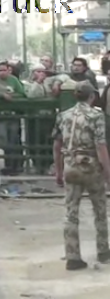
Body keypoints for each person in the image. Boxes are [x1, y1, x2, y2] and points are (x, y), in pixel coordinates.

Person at [53, 81, 110, 270]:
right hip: (91, 166)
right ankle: (103, 251)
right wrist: (108, 172)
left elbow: (57, 144)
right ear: (92, 96)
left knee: (71, 213)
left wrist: (59, 170)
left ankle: (73, 256)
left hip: (71, 165)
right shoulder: (96, 115)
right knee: (100, 210)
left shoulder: (63, 115)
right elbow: (101, 145)